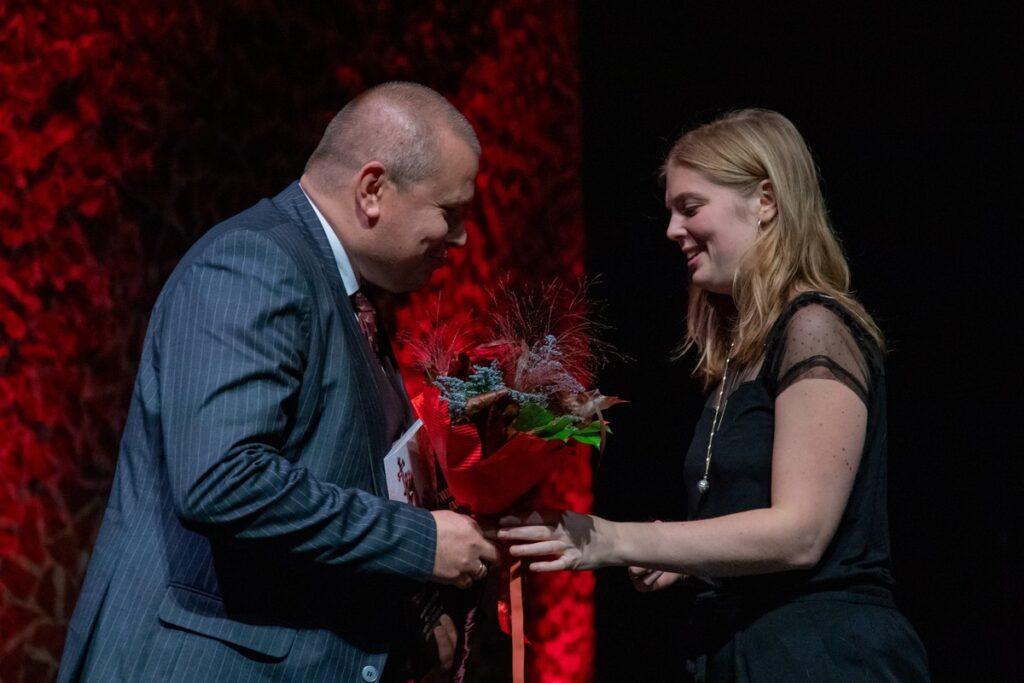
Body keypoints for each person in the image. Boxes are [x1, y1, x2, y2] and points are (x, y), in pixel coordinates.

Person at [58, 82, 499, 683]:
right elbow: (223, 480)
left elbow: (338, 481)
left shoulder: (348, 297)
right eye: (450, 213)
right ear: (372, 190)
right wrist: (419, 543)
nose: (461, 238)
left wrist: (413, 614)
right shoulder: (255, 264)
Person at [499, 109, 930, 681]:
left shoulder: (815, 326)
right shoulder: (740, 357)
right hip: (746, 649)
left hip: (822, 655)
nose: (672, 230)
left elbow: (801, 533)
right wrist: (684, 562)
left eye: (690, 207)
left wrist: (618, 539)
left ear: (766, 202)